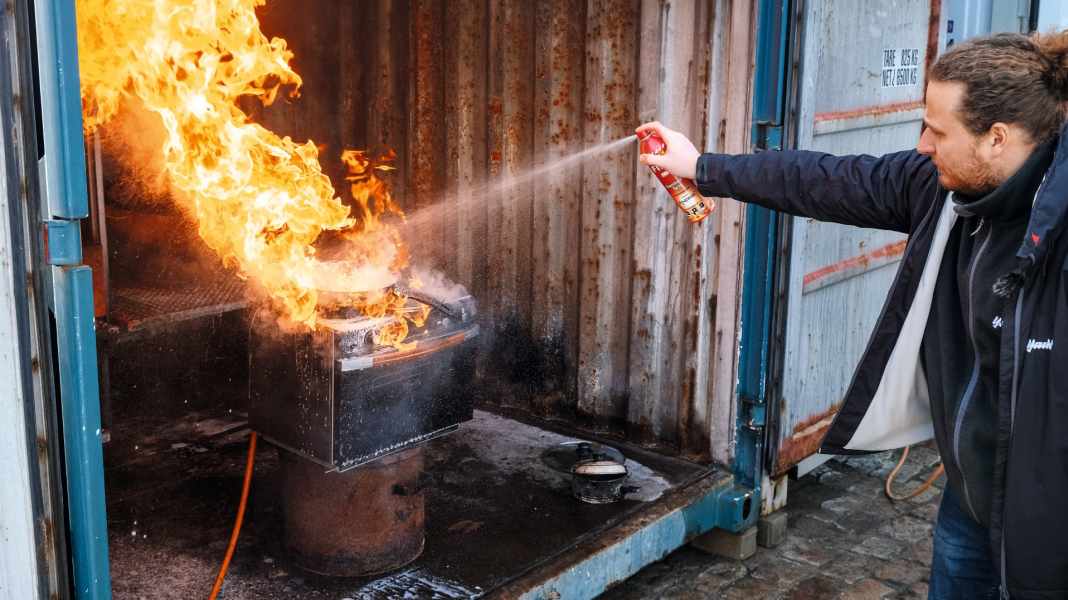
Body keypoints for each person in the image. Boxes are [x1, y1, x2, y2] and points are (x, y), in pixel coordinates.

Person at [638, 31, 1068, 600]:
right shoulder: (944, 190)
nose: (920, 145)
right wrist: (702, 166)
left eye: (938, 131)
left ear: (996, 138)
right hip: (971, 501)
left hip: (1049, 528)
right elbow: (829, 179)